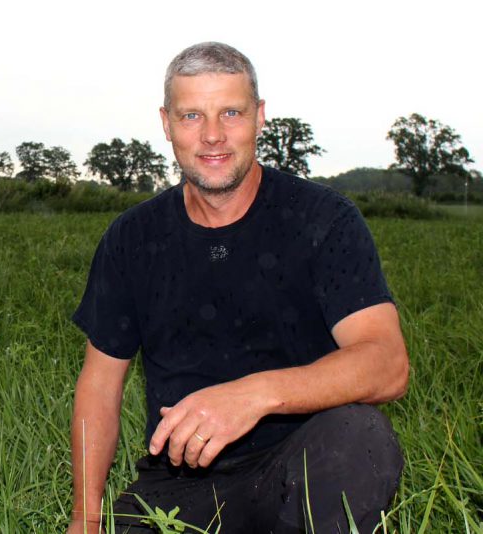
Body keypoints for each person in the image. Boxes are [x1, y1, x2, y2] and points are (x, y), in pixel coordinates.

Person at [68, 42, 409, 533]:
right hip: (178, 483)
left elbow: (387, 363)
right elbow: (100, 385)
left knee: (360, 435)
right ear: (166, 124)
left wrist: (254, 395)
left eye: (231, 112)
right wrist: (86, 517)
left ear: (260, 117)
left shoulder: (324, 220)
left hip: (298, 466)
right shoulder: (132, 238)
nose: (212, 135)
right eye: (191, 116)